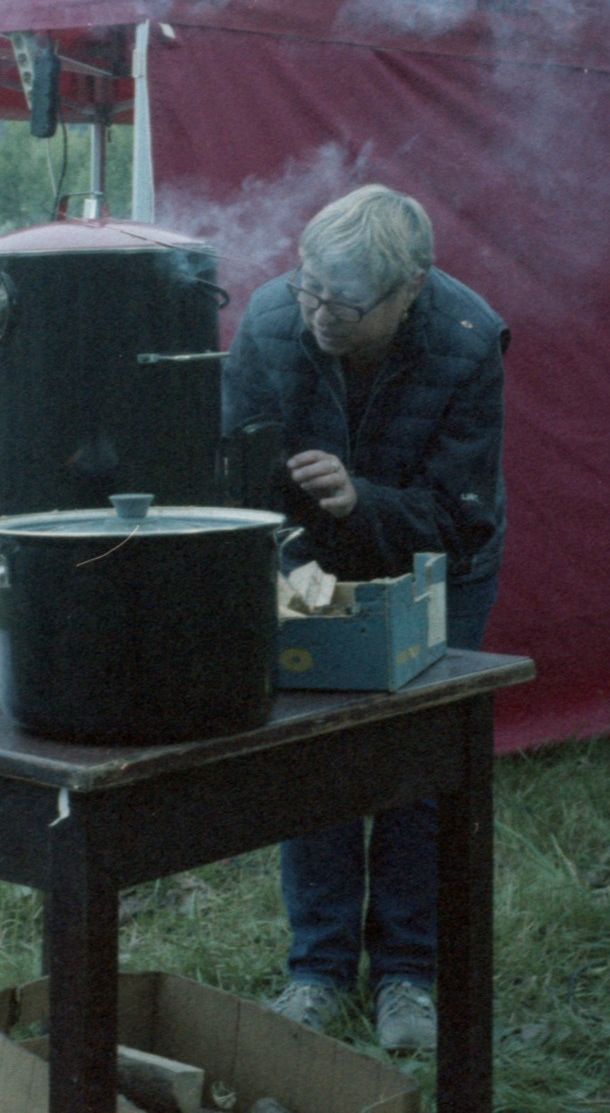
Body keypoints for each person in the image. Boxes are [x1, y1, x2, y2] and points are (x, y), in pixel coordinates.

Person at [221, 183, 509, 1052]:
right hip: (310, 557)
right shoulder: (271, 319)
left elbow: (461, 516)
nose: (319, 314)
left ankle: (407, 975)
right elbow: (232, 471)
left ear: (408, 287)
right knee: (314, 758)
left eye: (343, 303)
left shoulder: (468, 339)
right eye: (309, 286)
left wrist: (361, 500)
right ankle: (316, 969)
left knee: (414, 764)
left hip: (441, 565)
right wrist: (292, 536)